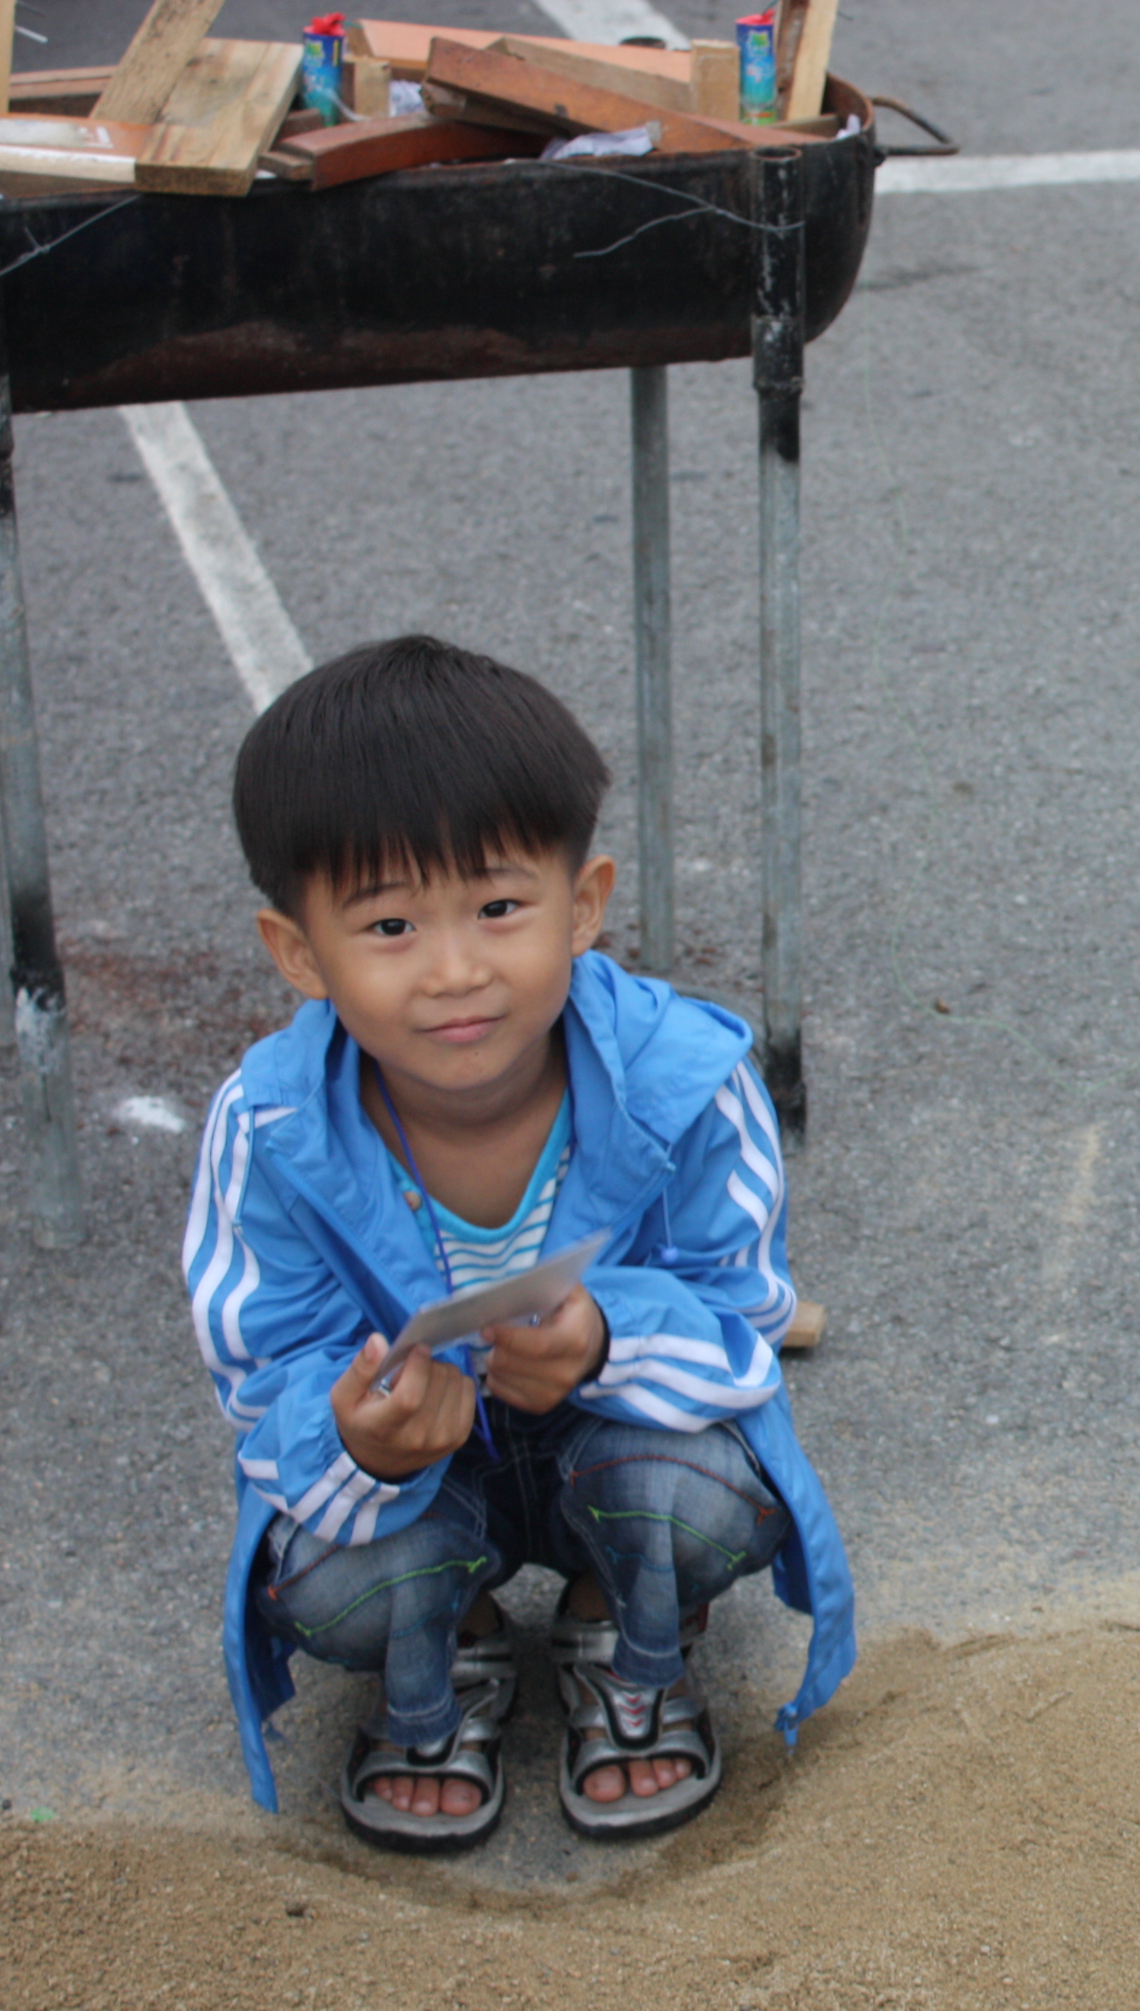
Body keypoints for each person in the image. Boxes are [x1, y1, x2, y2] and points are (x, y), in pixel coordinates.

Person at [184, 635, 855, 1852]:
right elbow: (260, 1377)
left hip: (622, 1434)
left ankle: (628, 1631)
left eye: (499, 908)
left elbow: (744, 1326)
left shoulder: (686, 1081)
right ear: (299, 954)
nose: (456, 970)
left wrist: (605, 1341)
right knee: (332, 1578)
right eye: (389, 924)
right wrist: (358, 1438)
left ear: (583, 904)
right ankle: (446, 1651)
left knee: (698, 1497)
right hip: (419, 1476)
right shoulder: (272, 1129)